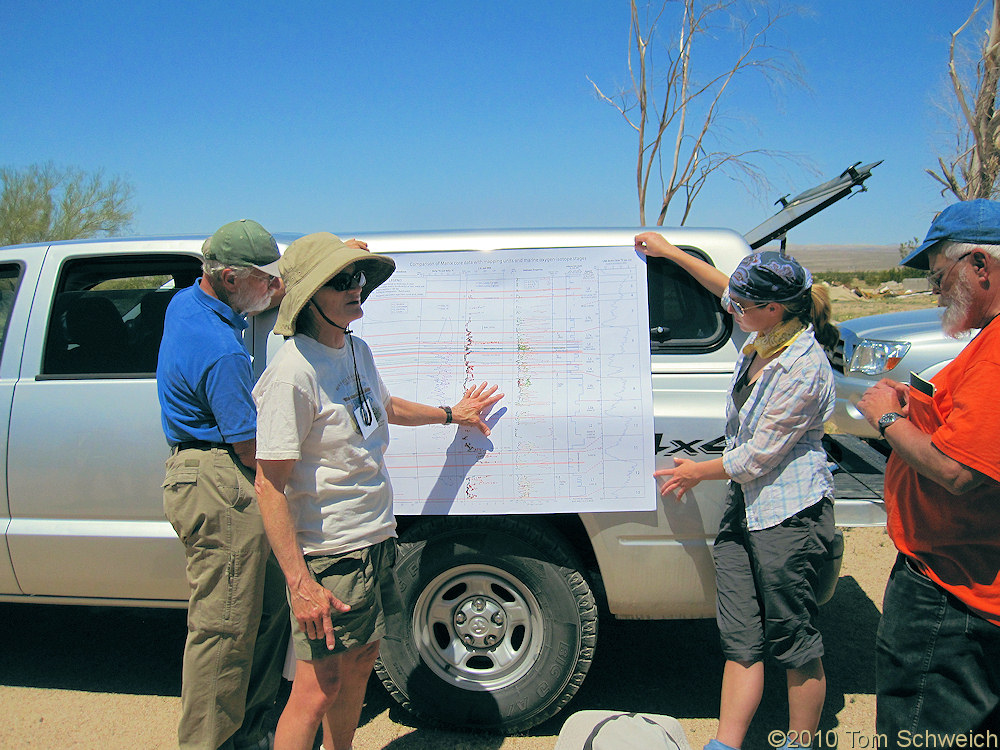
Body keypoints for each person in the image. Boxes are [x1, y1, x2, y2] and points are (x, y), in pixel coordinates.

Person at [252, 232, 504, 750]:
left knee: (362, 662)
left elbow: (385, 409)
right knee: (316, 690)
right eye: (342, 280)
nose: (356, 289)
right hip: (329, 556)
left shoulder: (355, 349)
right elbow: (268, 485)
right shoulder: (291, 373)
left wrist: (452, 413)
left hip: (374, 539)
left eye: (359, 278)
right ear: (309, 295)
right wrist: (300, 584)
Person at [635, 233, 840, 750]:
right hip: (746, 511)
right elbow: (725, 287)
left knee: (793, 640)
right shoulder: (766, 332)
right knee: (740, 638)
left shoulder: (803, 367)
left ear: (773, 309)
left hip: (787, 514)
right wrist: (671, 253)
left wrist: (692, 471)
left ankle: (799, 742)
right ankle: (726, 744)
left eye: (743, 306)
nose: (733, 308)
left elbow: (757, 458)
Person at [857, 199, 1000, 743]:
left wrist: (887, 417)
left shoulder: (996, 352)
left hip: (953, 593)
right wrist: (921, 403)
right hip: (968, 580)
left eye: (941, 277)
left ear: (980, 267)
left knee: (922, 729)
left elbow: (960, 474)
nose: (937, 292)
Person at [158, 219, 290, 750]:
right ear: (232, 278)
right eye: (267, 279)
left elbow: (271, 290)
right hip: (222, 480)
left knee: (267, 610)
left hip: (210, 472)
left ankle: (249, 733)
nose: (276, 288)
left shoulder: (188, 303)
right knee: (225, 630)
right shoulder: (223, 351)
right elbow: (250, 447)